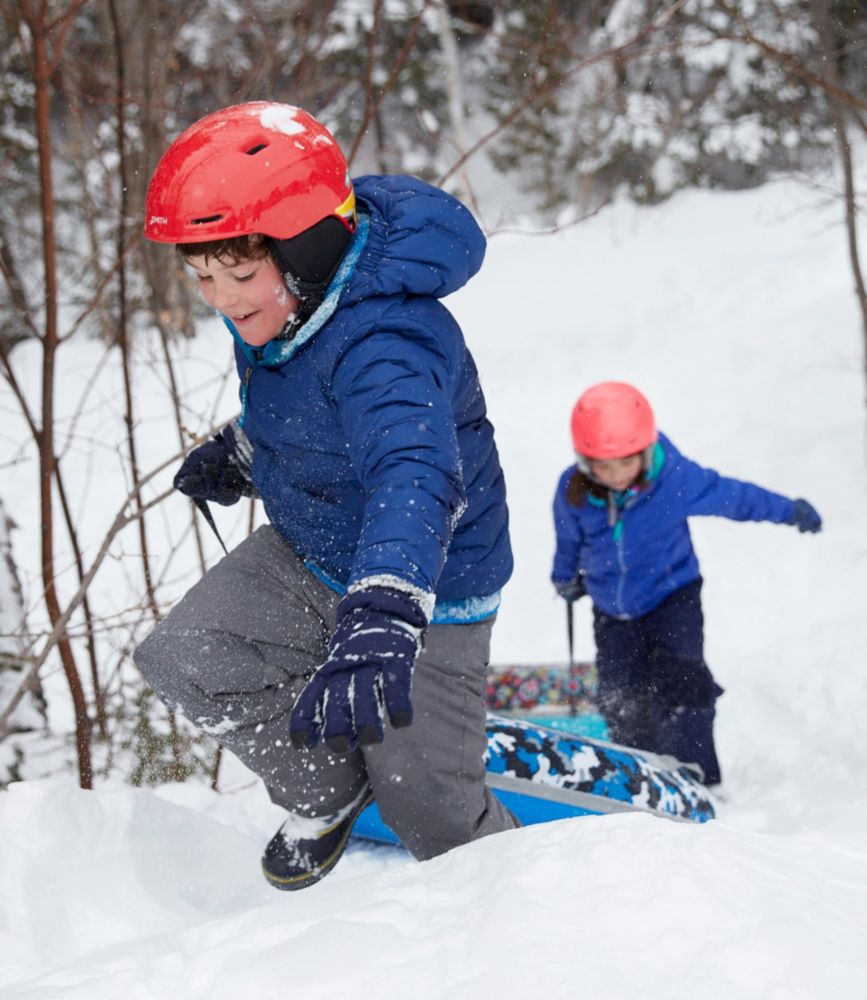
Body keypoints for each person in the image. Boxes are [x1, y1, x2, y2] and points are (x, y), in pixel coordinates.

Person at [134, 101, 518, 890]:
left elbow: (412, 471)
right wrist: (242, 451)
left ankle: (525, 904)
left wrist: (385, 608)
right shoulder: (285, 311)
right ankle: (331, 787)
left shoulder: (386, 341)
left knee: (431, 815)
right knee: (185, 658)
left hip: (426, 582)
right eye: (203, 276)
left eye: (239, 274)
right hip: (313, 549)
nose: (223, 298)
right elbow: (305, 408)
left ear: (306, 251)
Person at [550, 381, 822, 787]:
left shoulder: (674, 479)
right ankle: (639, 772)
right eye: (602, 466)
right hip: (611, 606)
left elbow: (735, 497)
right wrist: (565, 577)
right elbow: (568, 540)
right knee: (622, 694)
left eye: (624, 463)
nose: (615, 476)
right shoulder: (573, 491)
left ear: (644, 450)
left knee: (684, 684)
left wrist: (788, 511)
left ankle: (698, 778)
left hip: (672, 595)